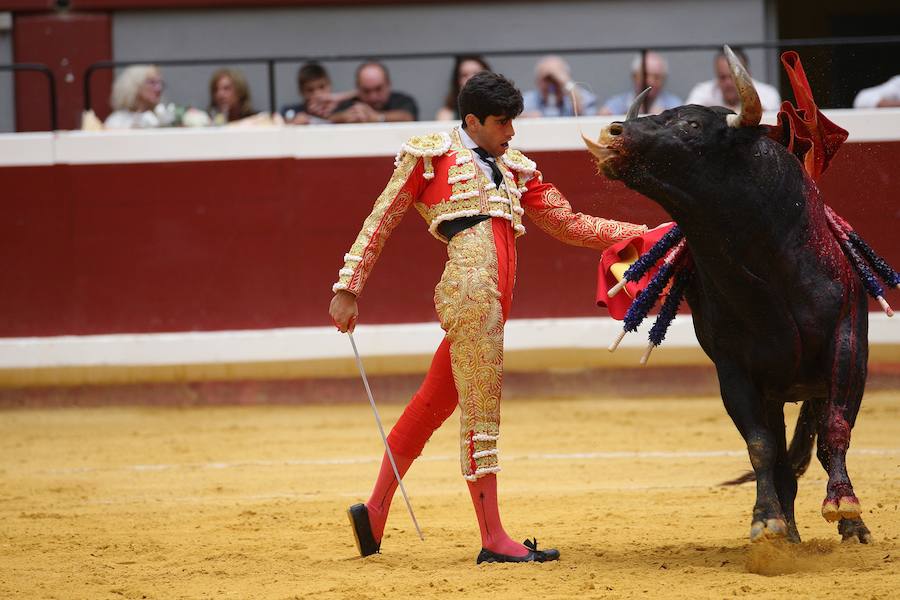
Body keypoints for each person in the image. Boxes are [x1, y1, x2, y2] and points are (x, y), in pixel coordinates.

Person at [329, 71, 648, 564]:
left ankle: (373, 510)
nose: (512, 133)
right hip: (473, 293)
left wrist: (644, 234)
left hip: (496, 299)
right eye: (502, 123)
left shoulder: (516, 167)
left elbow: (568, 222)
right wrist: (348, 287)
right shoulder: (430, 155)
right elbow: (383, 216)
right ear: (472, 121)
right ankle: (493, 537)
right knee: (482, 412)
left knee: (432, 404)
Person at [685, 47, 780, 112]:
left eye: (734, 77)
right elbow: (687, 114)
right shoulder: (702, 90)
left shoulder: (767, 93)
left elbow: (770, 116)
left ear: (748, 76)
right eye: (722, 77)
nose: (728, 83)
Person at [330, 61, 418, 123]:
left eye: (378, 89)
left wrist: (378, 118)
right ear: (358, 89)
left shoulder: (402, 100)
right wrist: (345, 117)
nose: (373, 97)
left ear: (389, 84)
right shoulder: (350, 103)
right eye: (366, 91)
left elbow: (408, 117)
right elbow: (331, 118)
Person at [599, 51, 682, 116]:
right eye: (645, 75)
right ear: (634, 76)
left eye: (656, 77)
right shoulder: (617, 104)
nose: (650, 82)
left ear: (664, 79)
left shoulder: (675, 106)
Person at [279, 62, 355, 125]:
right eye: (310, 90)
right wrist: (293, 124)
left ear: (330, 85)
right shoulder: (292, 111)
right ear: (301, 91)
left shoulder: (345, 108)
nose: (317, 94)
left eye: (322, 87)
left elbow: (362, 92)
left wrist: (338, 97)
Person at [521, 55, 596, 117]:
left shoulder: (580, 96)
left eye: (555, 79)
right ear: (537, 81)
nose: (551, 84)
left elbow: (586, 114)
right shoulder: (527, 100)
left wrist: (565, 82)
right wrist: (526, 117)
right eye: (546, 79)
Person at [104, 64, 174, 129]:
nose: (159, 88)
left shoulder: (164, 118)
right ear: (135, 85)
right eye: (152, 82)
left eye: (160, 82)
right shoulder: (117, 121)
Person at [435, 55, 491, 121]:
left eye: (476, 73)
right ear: (457, 81)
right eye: (464, 75)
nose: (470, 78)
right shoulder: (447, 115)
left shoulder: (499, 111)